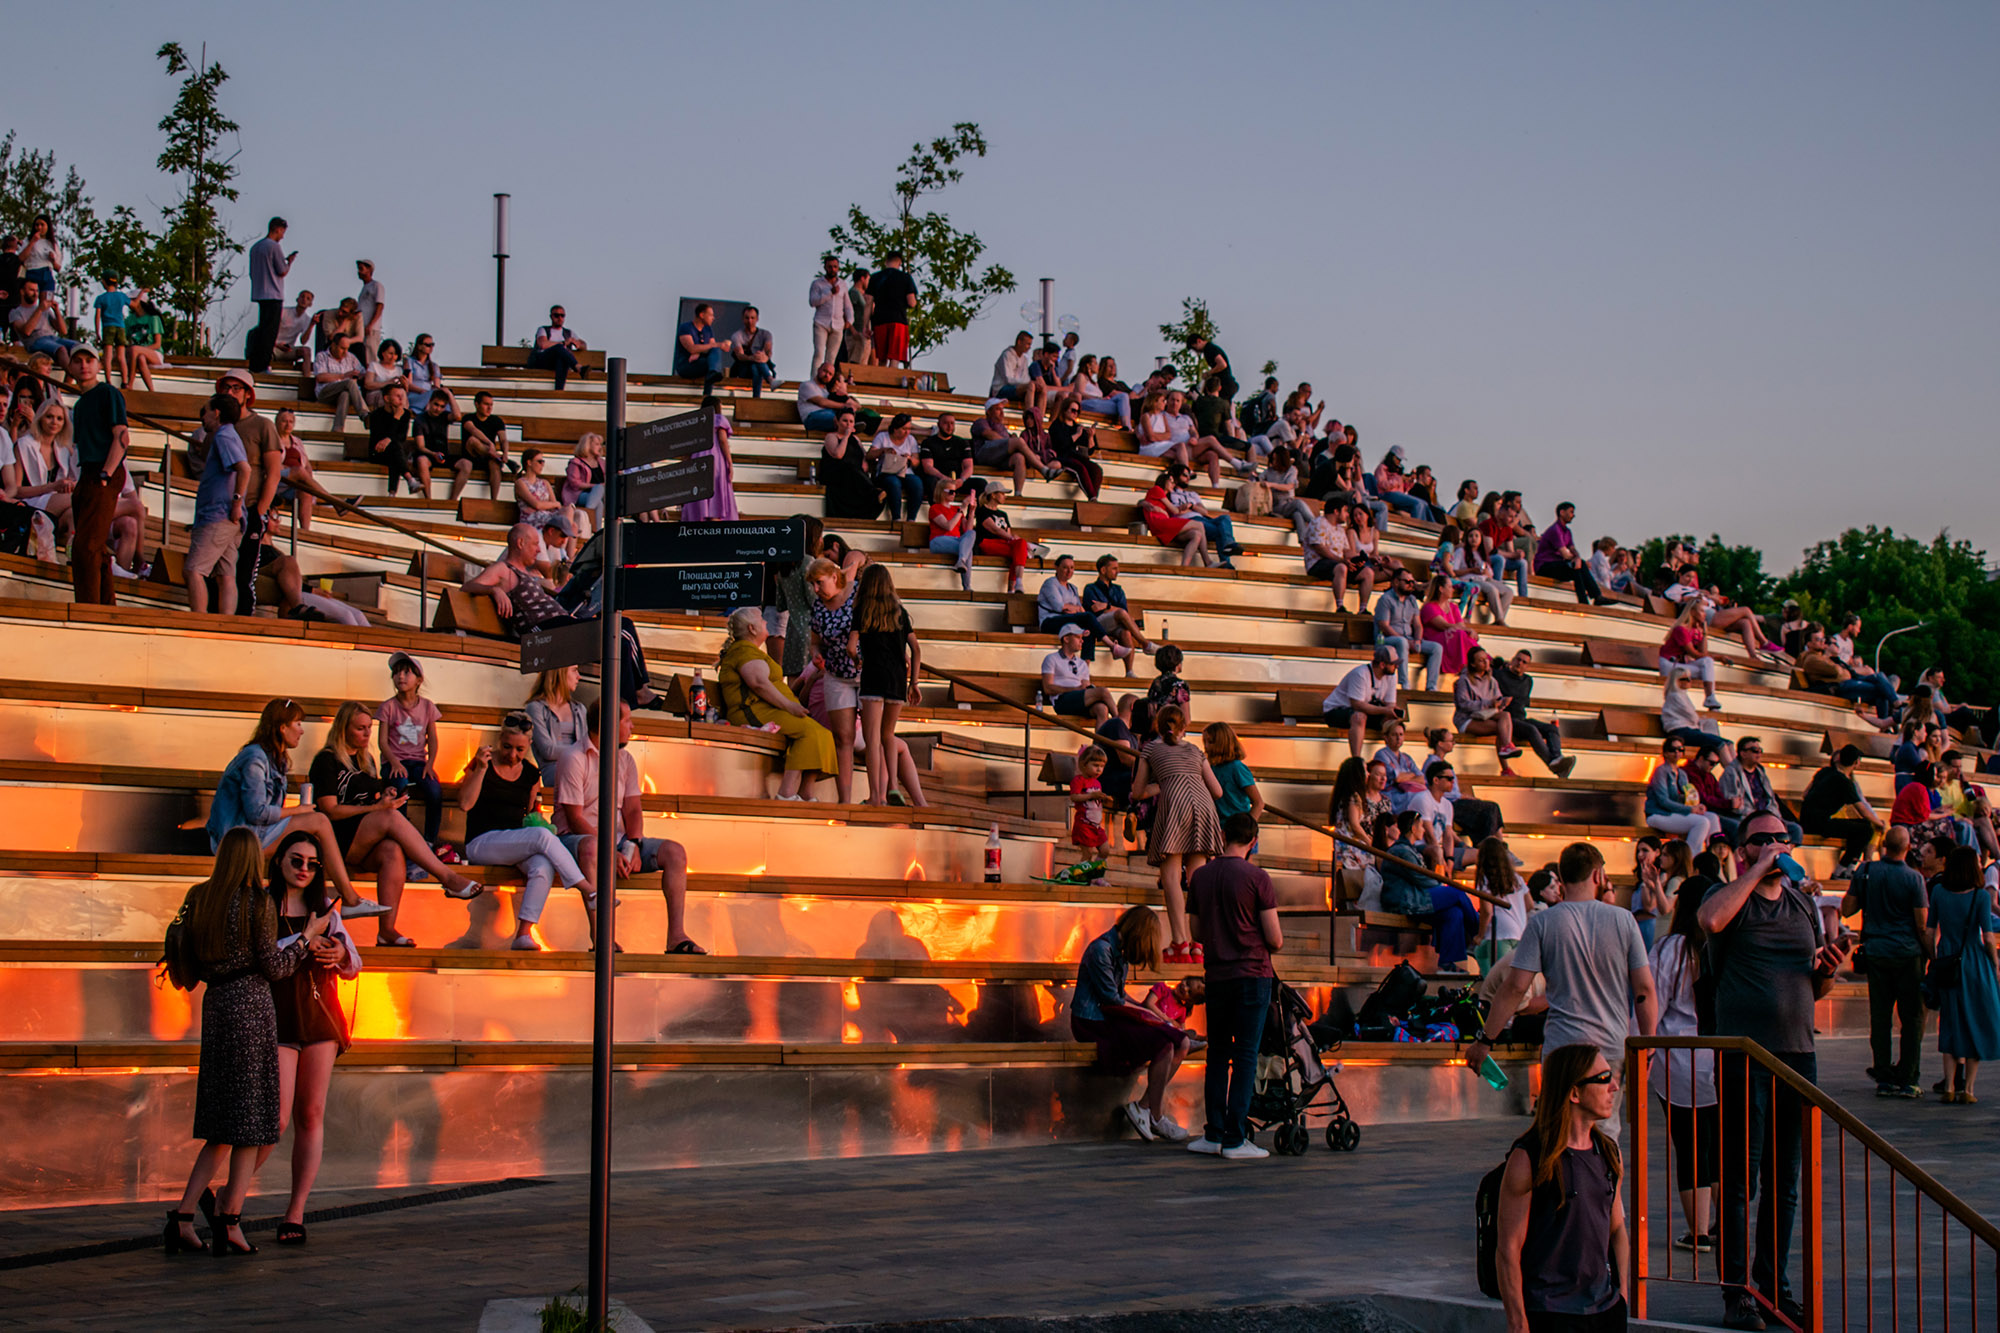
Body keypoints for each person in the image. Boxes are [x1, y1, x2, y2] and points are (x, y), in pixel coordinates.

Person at [1698, 813, 1849, 1330]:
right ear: (1743, 851)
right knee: (1742, 1180)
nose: (1775, 846)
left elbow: (1814, 989)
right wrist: (1755, 870)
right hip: (1745, 1056)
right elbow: (1710, 922)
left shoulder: (1804, 905)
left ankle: (1773, 1287)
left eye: (1781, 838)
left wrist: (1826, 973)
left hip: (1797, 1054)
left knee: (1786, 1182)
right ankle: (1736, 1292)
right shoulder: (1731, 899)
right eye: (1761, 840)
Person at [162, 829, 333, 1258]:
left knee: (222, 1122)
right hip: (252, 1007)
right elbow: (275, 967)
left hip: (216, 1004)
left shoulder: (199, 896)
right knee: (253, 1124)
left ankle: (183, 1218)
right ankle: (229, 1222)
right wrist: (307, 937)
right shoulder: (256, 902)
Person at [1469, 841, 1660, 1140]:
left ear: (1562, 876)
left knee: (1559, 1138)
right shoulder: (1623, 920)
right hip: (1609, 1045)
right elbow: (1644, 989)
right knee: (1606, 1140)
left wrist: (1485, 1040)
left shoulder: (1544, 923)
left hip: (1562, 1047)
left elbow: (1515, 987)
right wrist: (1646, 1049)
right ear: (1597, 876)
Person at [255, 829, 360, 1244]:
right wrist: (304, 939)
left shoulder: (326, 909)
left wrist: (339, 954)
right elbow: (262, 956)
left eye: (312, 863)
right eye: (296, 860)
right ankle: (228, 1196)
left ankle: (295, 1212)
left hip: (319, 1017)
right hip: (278, 1017)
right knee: (276, 1119)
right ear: (279, 860)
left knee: (311, 1115)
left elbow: (354, 965)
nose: (303, 869)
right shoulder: (262, 904)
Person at [310, 702, 484, 946]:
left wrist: (385, 794)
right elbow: (330, 810)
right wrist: (376, 808)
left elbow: (370, 796)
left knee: (392, 850)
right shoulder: (326, 760)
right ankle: (447, 877)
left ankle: (387, 931)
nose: (367, 733)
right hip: (334, 840)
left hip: (361, 838)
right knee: (390, 817)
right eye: (360, 728)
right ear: (343, 728)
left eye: (369, 728)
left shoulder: (365, 759)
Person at [1494, 1043, 1631, 1333]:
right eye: (1604, 1079)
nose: (1615, 1087)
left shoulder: (1608, 1152)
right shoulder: (1529, 1158)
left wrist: (1621, 1297)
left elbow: (1617, 1229)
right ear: (1574, 1093)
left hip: (1604, 1310)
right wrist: (1518, 1323)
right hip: (1550, 1313)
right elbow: (1507, 1248)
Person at [206, 699, 387, 918]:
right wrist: (299, 810)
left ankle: (316, 912)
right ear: (282, 727)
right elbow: (257, 812)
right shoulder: (255, 758)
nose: (302, 731)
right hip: (238, 839)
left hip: (258, 833)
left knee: (312, 833)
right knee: (318, 821)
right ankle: (349, 899)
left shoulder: (276, 759)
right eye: (298, 723)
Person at [553, 699, 703, 954]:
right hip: (576, 840)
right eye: (627, 721)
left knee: (675, 852)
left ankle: (676, 936)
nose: (632, 727)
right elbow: (576, 818)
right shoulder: (573, 758)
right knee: (591, 848)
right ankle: (601, 936)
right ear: (609, 724)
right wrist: (610, 851)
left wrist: (633, 844)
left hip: (618, 840)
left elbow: (633, 808)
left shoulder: (625, 760)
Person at [1184, 813, 1282, 1160]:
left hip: (1218, 975)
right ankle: (1235, 1138)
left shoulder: (1200, 876)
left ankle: (1212, 1132)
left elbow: (1196, 933)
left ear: (1223, 834)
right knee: (1245, 1057)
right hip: (1252, 973)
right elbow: (1275, 938)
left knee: (1217, 1054)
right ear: (1253, 840)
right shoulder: (1258, 877)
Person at [460, 711, 595, 951]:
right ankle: (586, 888)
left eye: (519, 750)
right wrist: (480, 769)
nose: (512, 755)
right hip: (480, 842)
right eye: (507, 747)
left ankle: (523, 933)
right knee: (543, 837)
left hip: (514, 842)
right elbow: (465, 804)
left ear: (529, 746)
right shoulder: (483, 763)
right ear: (500, 740)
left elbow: (530, 817)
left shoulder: (532, 774)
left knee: (542, 865)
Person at [1072, 906, 1195, 1143]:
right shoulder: (1101, 950)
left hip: (1110, 1017)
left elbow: (1119, 995)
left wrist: (1143, 1009)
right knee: (1166, 1040)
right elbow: (1110, 999)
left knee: (1172, 1044)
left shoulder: (1118, 951)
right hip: (1092, 1022)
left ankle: (1147, 1110)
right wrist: (1147, 1015)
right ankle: (1155, 1116)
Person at [1649, 878, 1720, 1253]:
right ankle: (1723, 1223)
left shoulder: (1671, 949)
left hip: (1677, 1057)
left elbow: (1653, 1003)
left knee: (1689, 1144)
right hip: (1721, 1054)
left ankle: (1699, 1231)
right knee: (1719, 1144)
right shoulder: (1723, 945)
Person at [1838, 827, 1930, 1097]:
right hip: (1907, 953)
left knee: (1880, 1016)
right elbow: (1921, 924)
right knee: (1911, 1017)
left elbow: (1847, 909)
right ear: (1908, 846)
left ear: (1883, 845)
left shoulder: (1866, 871)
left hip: (1876, 951)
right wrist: (1932, 956)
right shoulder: (1914, 879)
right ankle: (1908, 1076)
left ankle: (1883, 1075)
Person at [1134, 705, 1225, 962]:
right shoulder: (1195, 751)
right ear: (1184, 727)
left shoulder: (1150, 749)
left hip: (1174, 806)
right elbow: (1217, 791)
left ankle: (1179, 942)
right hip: (1203, 806)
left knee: (1172, 877)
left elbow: (1138, 790)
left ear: (1158, 726)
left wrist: (1164, 784)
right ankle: (1199, 944)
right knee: (1197, 879)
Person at [716, 608, 836, 801]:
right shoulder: (742, 651)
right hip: (752, 711)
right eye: (762, 620)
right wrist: (789, 705)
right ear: (751, 629)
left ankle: (806, 793)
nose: (766, 623)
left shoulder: (750, 650)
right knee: (809, 732)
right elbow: (758, 683)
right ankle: (786, 793)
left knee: (822, 733)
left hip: (768, 709)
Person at [854, 564, 928, 808]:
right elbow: (916, 649)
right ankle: (894, 787)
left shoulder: (862, 610)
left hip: (873, 677)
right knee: (888, 735)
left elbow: (849, 645)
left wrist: (858, 660)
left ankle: (877, 796)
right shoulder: (900, 612)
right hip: (897, 678)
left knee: (872, 739)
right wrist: (914, 682)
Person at [1931, 847, 2000, 1104]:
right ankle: (1968, 1089)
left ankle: (1948, 1085)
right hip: (1974, 962)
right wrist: (1994, 964)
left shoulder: (1938, 892)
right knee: (1978, 1020)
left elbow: (1930, 931)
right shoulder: (1980, 897)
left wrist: (1935, 958)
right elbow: (1989, 937)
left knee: (1951, 1022)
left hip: (1947, 959)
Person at [67, 348, 128, 607]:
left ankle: (89, 609)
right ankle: (105, 606)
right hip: (87, 472)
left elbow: (121, 436)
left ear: (98, 364)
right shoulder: (80, 405)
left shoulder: (107, 393)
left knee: (85, 548)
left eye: (89, 360)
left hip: (103, 471)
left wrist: (107, 473)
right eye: (78, 361)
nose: (84, 366)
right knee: (96, 548)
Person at [185, 393, 250, 616]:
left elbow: (244, 469)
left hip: (218, 514)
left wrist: (235, 502)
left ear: (217, 413)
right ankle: (226, 624)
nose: (202, 417)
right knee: (226, 575)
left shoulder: (224, 436)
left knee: (194, 570)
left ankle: (200, 622)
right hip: (230, 518)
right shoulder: (227, 436)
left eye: (205, 411)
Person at [806, 556, 863, 803]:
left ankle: (879, 797)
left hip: (865, 671)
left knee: (873, 735)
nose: (816, 590)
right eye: (813, 586)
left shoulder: (857, 592)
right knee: (842, 737)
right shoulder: (819, 606)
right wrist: (817, 657)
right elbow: (815, 642)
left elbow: (860, 555)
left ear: (834, 576)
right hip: (836, 673)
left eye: (819, 583)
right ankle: (845, 800)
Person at [378, 652, 446, 853]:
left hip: (418, 762)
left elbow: (432, 738)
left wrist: (430, 764)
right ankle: (402, 834)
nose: (401, 677)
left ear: (419, 680)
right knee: (398, 784)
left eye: (407, 673)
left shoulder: (427, 706)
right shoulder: (388, 706)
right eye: (397, 673)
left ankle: (429, 840)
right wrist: (394, 762)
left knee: (434, 790)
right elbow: (382, 741)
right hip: (394, 761)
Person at [1799, 744, 1884, 873]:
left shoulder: (1824, 771)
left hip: (1806, 818)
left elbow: (1805, 794)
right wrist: (1879, 824)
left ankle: (1849, 868)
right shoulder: (1845, 782)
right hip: (1819, 823)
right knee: (1866, 829)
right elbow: (1862, 809)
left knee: (1862, 826)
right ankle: (1840, 870)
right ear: (1856, 762)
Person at [1493, 650, 1575, 778]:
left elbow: (1523, 703)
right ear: (1512, 660)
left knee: (1552, 728)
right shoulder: (1498, 675)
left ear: (1527, 667)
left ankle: (1557, 758)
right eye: (1518, 659)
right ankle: (1553, 764)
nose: (1520, 663)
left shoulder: (1528, 681)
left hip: (1521, 718)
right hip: (1506, 720)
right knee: (1531, 730)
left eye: (1524, 662)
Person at [1718, 737, 1802, 845]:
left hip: (1766, 816)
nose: (1758, 753)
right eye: (1754, 750)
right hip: (1745, 818)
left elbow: (1771, 800)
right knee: (1741, 830)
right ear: (1743, 753)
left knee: (1795, 830)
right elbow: (1734, 803)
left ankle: (1783, 856)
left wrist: (1772, 816)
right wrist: (1755, 817)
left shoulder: (1761, 772)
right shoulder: (1731, 773)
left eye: (1760, 750)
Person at [1323, 647, 1403, 760]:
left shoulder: (1391, 676)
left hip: (1365, 710)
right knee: (1359, 717)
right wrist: (1385, 710)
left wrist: (1391, 712)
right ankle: (1356, 760)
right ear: (1382, 665)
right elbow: (1357, 704)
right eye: (1394, 664)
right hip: (1336, 711)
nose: (1397, 666)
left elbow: (1390, 705)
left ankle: (1392, 758)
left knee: (1391, 721)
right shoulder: (1360, 674)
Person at [1081, 556, 1155, 675]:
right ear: (1103, 570)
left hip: (1114, 623)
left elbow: (1123, 610)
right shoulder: (1090, 588)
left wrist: (1106, 606)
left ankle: (1129, 671)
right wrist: (1113, 609)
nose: (1118, 571)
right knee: (1120, 614)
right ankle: (1145, 643)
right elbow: (1095, 610)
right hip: (1097, 624)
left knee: (1126, 632)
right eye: (1114, 568)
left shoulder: (1118, 589)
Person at [1456, 648, 1527, 770]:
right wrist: (1487, 703)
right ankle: (1506, 766)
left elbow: (1497, 700)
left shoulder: (1492, 680)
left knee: (1505, 716)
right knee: (1502, 728)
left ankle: (1507, 748)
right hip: (1467, 719)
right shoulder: (1465, 680)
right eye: (1481, 660)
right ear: (1473, 664)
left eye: (1486, 660)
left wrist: (1502, 702)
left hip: (1486, 715)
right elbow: (1463, 704)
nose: (1486, 662)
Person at [1374, 568, 1442, 692]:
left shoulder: (1411, 600)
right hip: (1386, 640)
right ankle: (1404, 683)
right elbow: (1384, 626)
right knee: (1402, 642)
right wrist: (1406, 640)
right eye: (1407, 582)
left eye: (1413, 582)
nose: (1411, 585)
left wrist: (1417, 640)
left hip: (1409, 639)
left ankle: (1431, 686)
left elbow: (1417, 624)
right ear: (1395, 582)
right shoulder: (1385, 600)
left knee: (1436, 647)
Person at [1646, 736, 1725, 845]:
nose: (1677, 752)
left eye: (1680, 749)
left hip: (1676, 813)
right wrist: (1690, 810)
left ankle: (1714, 854)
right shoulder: (1661, 771)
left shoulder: (1682, 773)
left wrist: (1696, 806)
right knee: (1702, 822)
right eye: (1673, 749)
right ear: (1665, 753)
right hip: (1659, 814)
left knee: (1712, 817)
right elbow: (1663, 801)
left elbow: (1686, 797)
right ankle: (1691, 857)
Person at [246, 218, 296, 374]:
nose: (282, 236)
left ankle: (255, 363)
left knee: (262, 328)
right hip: (273, 293)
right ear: (278, 229)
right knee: (269, 331)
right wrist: (289, 262)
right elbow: (282, 270)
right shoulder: (274, 247)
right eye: (282, 232)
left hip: (260, 292)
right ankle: (263, 365)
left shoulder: (256, 247)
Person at [1535, 502, 1607, 605]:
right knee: (1577, 566)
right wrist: (1577, 560)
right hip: (1545, 566)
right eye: (1571, 512)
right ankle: (1590, 598)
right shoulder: (1555, 530)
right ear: (1562, 512)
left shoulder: (1567, 532)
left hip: (1557, 565)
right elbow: (1565, 554)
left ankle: (1594, 597)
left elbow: (1572, 549)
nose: (1573, 515)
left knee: (1577, 567)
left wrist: (1577, 558)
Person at [1042, 624, 1113, 725]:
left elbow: (1085, 685)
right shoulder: (1052, 659)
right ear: (1066, 639)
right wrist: (1075, 689)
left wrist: (1087, 689)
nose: (1082, 641)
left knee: (1102, 709)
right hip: (1062, 701)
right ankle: (1121, 723)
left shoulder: (1082, 663)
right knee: (1103, 692)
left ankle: (1099, 741)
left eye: (1082, 638)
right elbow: (1048, 688)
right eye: (1078, 637)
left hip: (1079, 700)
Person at [1139, 466, 1210, 567]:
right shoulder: (1157, 489)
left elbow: (1174, 511)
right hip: (1160, 524)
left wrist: (1187, 507)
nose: (1173, 484)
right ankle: (1208, 561)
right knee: (1199, 525)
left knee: (1196, 534)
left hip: (1165, 526)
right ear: (1164, 481)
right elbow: (1175, 510)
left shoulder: (1164, 496)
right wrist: (1188, 506)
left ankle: (1184, 566)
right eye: (1171, 482)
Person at [525, 665, 590, 771]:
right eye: (574, 670)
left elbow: (587, 745)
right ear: (560, 673)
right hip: (554, 769)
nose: (579, 676)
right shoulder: (535, 708)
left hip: (582, 767)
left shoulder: (579, 709)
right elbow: (548, 751)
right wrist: (581, 751)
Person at [869, 411, 925, 521]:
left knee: (917, 483)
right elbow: (870, 455)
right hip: (887, 471)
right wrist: (883, 451)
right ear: (895, 428)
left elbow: (916, 462)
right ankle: (896, 517)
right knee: (893, 483)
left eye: (909, 429)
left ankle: (911, 518)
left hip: (906, 471)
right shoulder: (883, 437)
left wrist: (909, 458)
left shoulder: (911, 439)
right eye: (904, 429)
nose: (907, 432)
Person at [457, 390, 511, 498]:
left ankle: (494, 500)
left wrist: (505, 453)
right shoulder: (468, 418)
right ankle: (497, 456)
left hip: (488, 457)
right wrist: (490, 444)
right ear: (477, 404)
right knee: (473, 440)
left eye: (491, 405)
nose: (489, 408)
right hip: (471, 455)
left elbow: (503, 439)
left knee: (494, 465)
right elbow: (473, 430)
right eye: (486, 404)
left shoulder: (496, 420)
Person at [868, 252, 918, 367]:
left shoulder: (875, 277)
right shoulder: (905, 278)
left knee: (882, 359)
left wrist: (867, 323)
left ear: (886, 261)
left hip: (879, 321)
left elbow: (868, 302)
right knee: (894, 357)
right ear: (899, 263)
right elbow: (911, 302)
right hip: (898, 320)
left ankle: (880, 381)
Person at [917, 412, 981, 501]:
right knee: (930, 481)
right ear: (939, 425)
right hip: (939, 480)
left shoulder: (962, 443)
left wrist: (961, 480)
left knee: (981, 484)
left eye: (952, 423)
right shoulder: (928, 442)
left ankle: (973, 513)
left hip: (957, 481)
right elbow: (928, 467)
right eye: (946, 423)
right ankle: (937, 512)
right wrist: (944, 478)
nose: (949, 426)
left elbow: (969, 467)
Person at [312, 330, 368, 433]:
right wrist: (343, 376)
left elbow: (363, 373)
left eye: (347, 348)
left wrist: (357, 375)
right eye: (342, 348)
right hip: (325, 393)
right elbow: (320, 377)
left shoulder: (351, 357)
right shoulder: (322, 356)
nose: (345, 352)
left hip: (344, 394)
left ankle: (337, 429)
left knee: (345, 394)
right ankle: (364, 414)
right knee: (349, 383)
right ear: (333, 345)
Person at [673, 301, 730, 390]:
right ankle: (710, 382)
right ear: (702, 315)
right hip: (686, 365)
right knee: (712, 360)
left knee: (714, 357)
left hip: (700, 362)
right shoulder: (685, 327)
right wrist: (715, 345)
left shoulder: (708, 329)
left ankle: (712, 377)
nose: (713, 318)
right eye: (711, 315)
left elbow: (712, 349)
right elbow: (692, 348)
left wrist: (699, 353)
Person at [529, 305, 588, 389]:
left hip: (558, 362)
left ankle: (559, 390)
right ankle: (578, 367)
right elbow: (542, 344)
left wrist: (577, 344)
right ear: (551, 317)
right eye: (556, 315)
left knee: (562, 358)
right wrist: (564, 342)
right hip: (543, 360)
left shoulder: (568, 333)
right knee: (559, 348)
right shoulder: (543, 330)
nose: (559, 318)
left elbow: (584, 345)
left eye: (562, 315)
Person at [1070, 746, 1113, 858]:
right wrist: (1091, 795)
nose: (1099, 770)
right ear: (1084, 764)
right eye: (1095, 766)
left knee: (1105, 850)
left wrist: (1104, 799)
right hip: (1084, 824)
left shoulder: (1097, 783)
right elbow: (1074, 797)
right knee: (1087, 853)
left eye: (1102, 766)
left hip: (1096, 825)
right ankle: (1085, 874)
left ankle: (1096, 872)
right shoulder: (1078, 781)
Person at [92, 278, 133, 386]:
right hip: (120, 326)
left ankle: (108, 380)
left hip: (108, 326)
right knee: (121, 356)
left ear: (105, 283)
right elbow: (133, 304)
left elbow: (97, 316)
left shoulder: (101, 298)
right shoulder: (121, 296)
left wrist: (97, 333)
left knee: (108, 356)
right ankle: (125, 381)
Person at [729, 304, 775, 397]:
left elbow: (768, 352)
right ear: (743, 319)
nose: (750, 321)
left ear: (757, 319)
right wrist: (753, 358)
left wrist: (763, 358)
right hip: (744, 368)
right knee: (756, 365)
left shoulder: (766, 334)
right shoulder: (737, 335)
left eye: (752, 318)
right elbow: (740, 356)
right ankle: (770, 380)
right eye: (747, 318)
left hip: (759, 366)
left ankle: (756, 396)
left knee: (756, 366)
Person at [353, 259, 386, 362]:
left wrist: (371, 324)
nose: (359, 271)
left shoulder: (376, 285)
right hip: (361, 328)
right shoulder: (364, 288)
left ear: (369, 270)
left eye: (362, 269)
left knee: (371, 355)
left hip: (371, 328)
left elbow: (380, 306)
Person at [990, 330, 1034, 401]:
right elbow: (1009, 379)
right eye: (1028, 344)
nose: (1029, 347)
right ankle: (1030, 411)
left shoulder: (1024, 359)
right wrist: (1026, 384)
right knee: (1030, 387)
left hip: (1016, 388)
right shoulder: (1007, 355)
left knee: (1035, 389)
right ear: (1019, 342)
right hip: (1001, 389)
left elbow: (1026, 378)